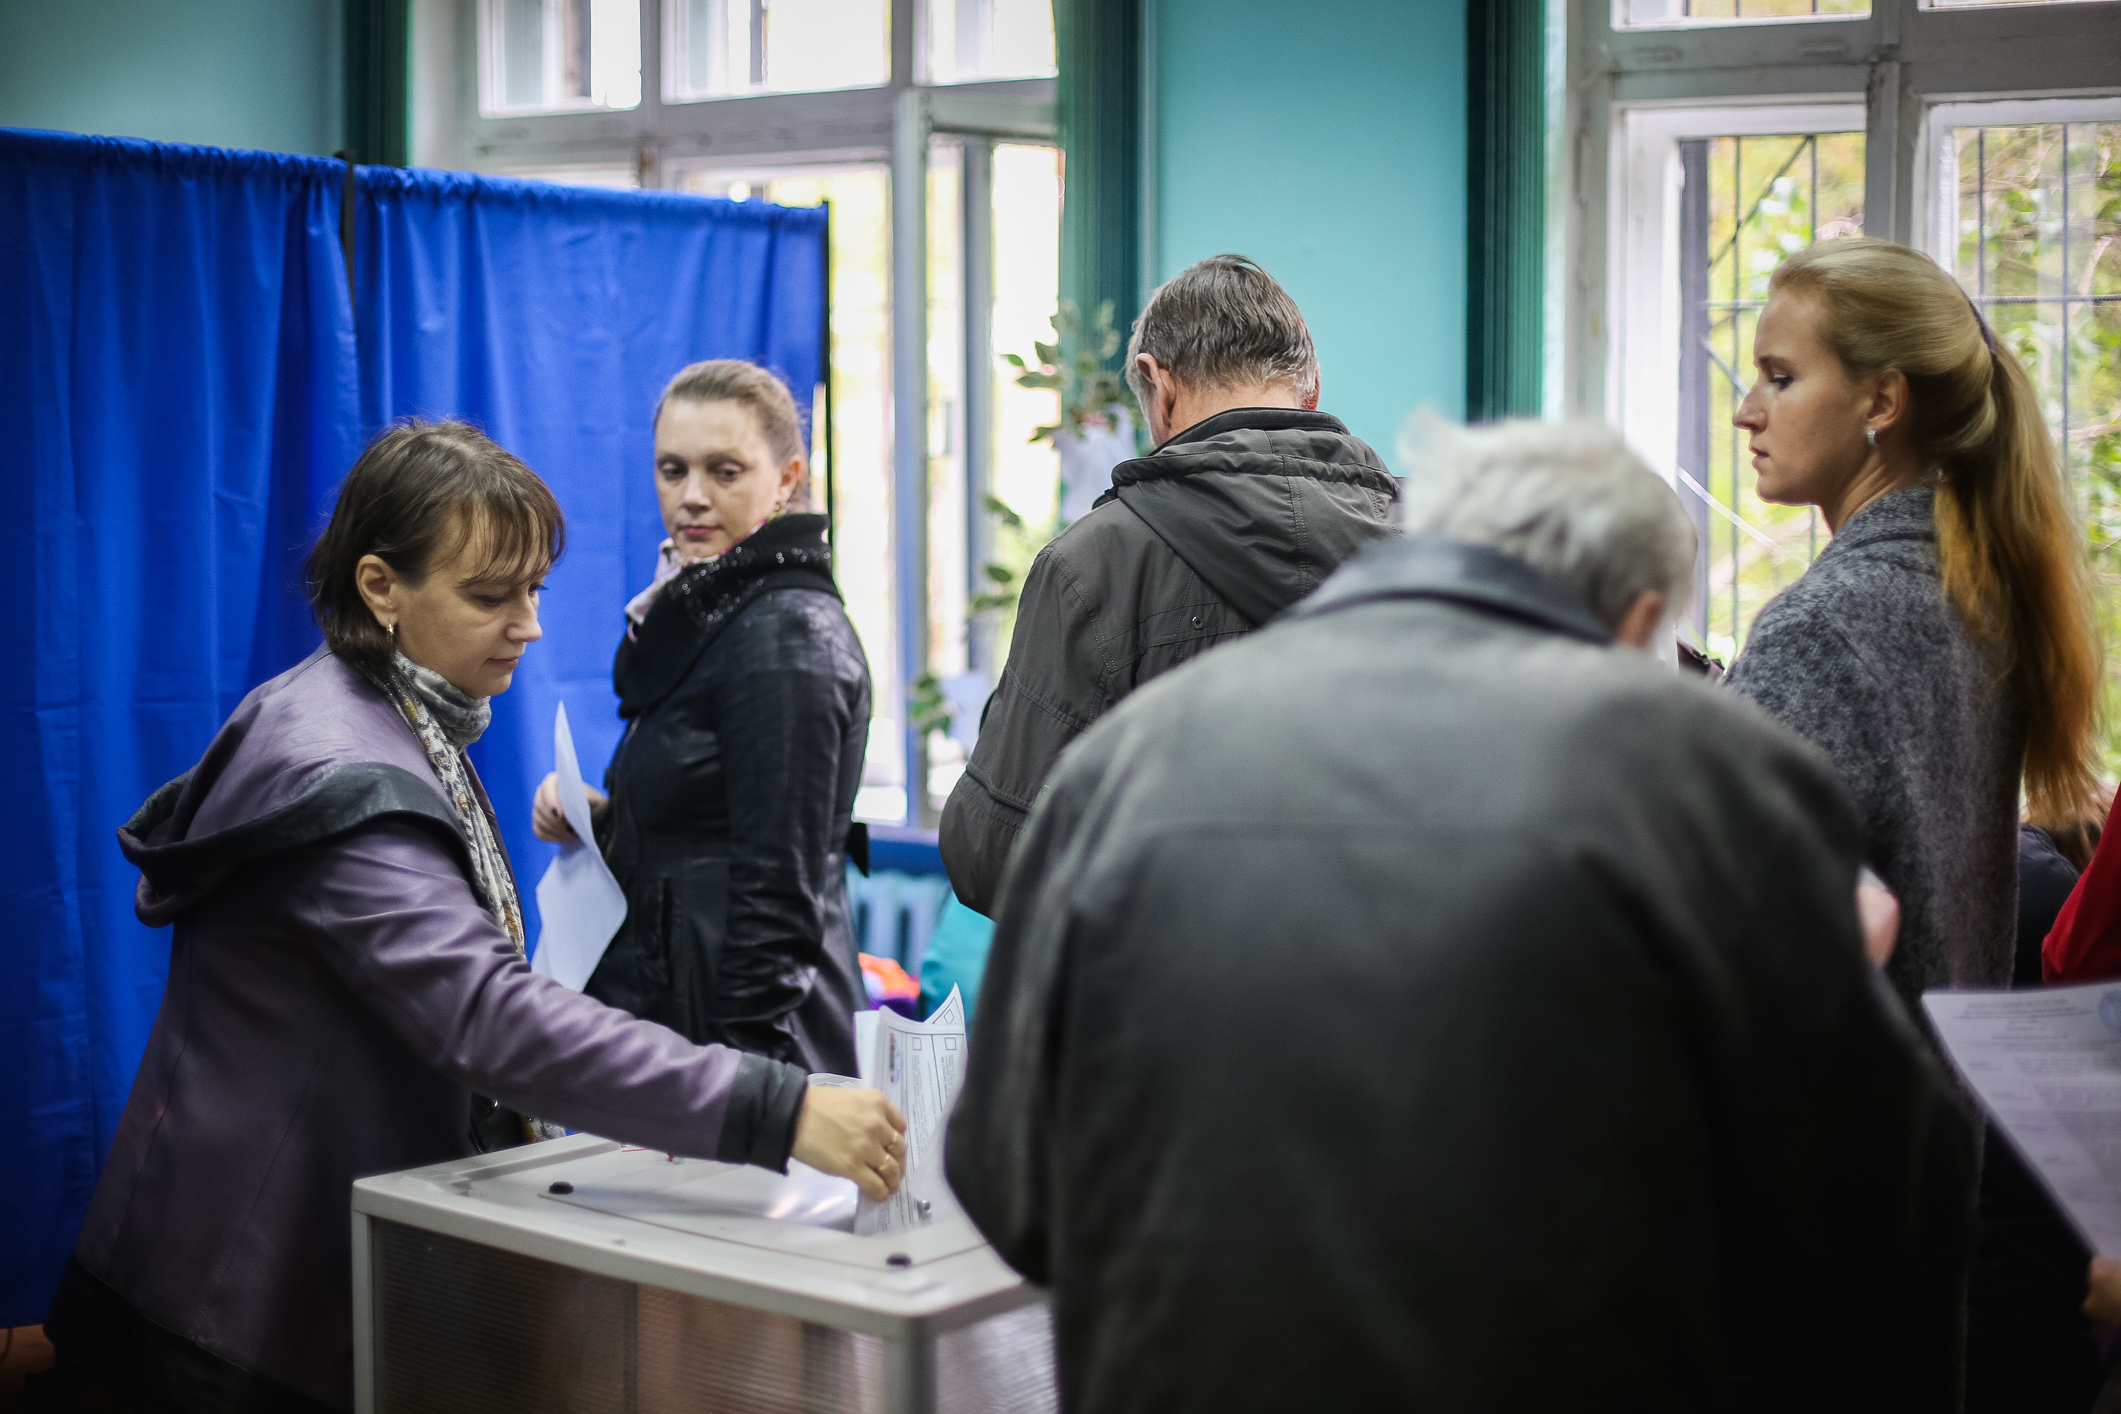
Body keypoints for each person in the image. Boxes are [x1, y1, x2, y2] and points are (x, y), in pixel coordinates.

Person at [946, 418, 1974, 1414]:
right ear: (1637, 618)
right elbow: (1879, 1215)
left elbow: (1006, 1183)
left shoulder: (1127, 760)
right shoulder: (1718, 775)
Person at [36, 422, 905, 1413]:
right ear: (380, 588)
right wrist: (772, 1105)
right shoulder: (345, 765)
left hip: (255, 1276)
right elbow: (486, 1018)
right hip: (224, 1322)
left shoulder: (386, 714)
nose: (528, 626)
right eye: (493, 596)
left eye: (534, 589)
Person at [938, 254, 1397, 916]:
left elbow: (993, 855)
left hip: (1165, 1006)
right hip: (1397, 1006)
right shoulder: (1440, 547)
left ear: (1158, 384)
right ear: (1311, 388)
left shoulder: (1092, 565)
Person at [1724, 236, 2101, 1017]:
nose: (1743, 410)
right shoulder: (1977, 595)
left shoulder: (1823, 628)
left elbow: (1727, 927)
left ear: (1881, 402)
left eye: (1779, 377)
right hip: (1930, 1116)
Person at [532, 361, 869, 1075]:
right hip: (679, 1033)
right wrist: (606, 818)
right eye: (671, 469)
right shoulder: (704, 615)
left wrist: (744, 1101)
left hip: (741, 1055)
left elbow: (777, 902)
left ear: (787, 478)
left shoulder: (785, 635)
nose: (691, 497)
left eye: (724, 471)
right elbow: (707, 829)